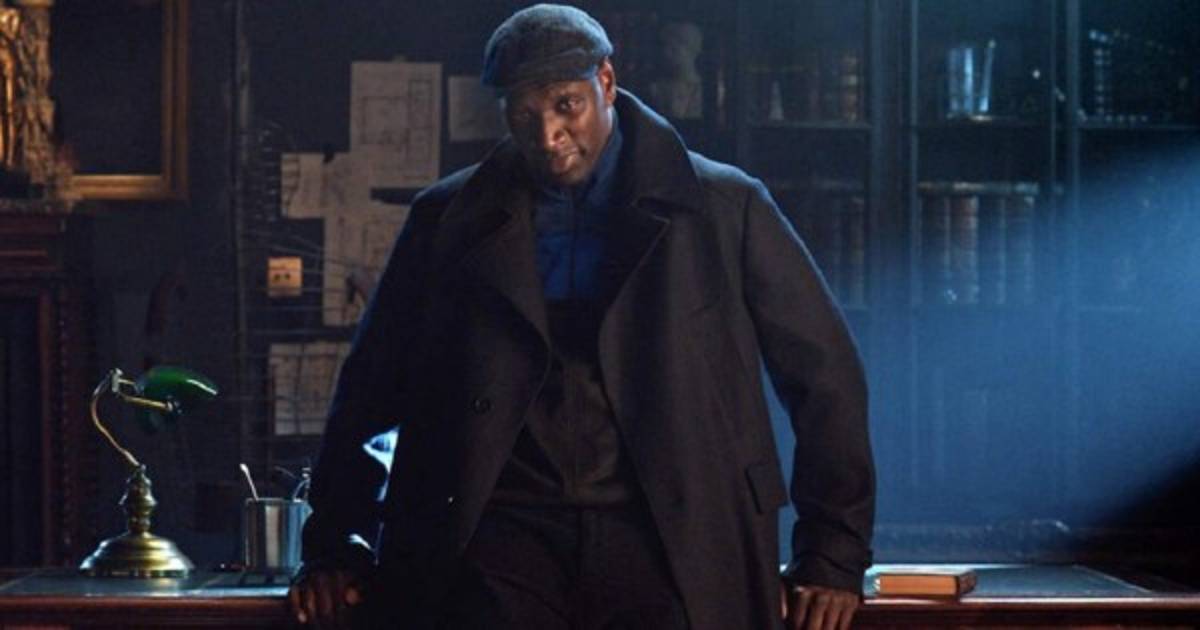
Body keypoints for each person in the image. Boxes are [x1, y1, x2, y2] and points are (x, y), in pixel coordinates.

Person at [289, 4, 874, 629]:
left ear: (607, 84)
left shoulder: (726, 207)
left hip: (671, 534)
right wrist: (336, 544)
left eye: (566, 105)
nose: (548, 136)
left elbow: (826, 377)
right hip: (499, 536)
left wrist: (832, 554)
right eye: (525, 115)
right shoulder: (445, 219)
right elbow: (371, 388)